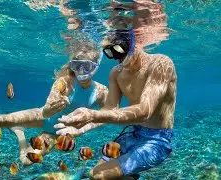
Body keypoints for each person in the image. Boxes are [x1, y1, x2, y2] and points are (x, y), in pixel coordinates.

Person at [0, 41, 109, 166]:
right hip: (42, 117)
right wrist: (49, 109)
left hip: (58, 133)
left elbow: (107, 116)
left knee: (26, 161)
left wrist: (80, 129)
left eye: (88, 67)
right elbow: (46, 112)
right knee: (0, 118)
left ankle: (19, 133)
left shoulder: (101, 91)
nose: (81, 72)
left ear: (96, 67)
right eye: (77, 65)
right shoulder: (63, 82)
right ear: (71, 65)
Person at [54, 27, 176, 179]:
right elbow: (110, 108)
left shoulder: (161, 63)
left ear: (134, 43)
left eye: (119, 50)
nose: (116, 58)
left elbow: (145, 111)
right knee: (94, 173)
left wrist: (92, 115)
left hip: (157, 139)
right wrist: (81, 129)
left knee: (100, 176)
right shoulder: (116, 73)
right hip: (133, 133)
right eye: (110, 53)